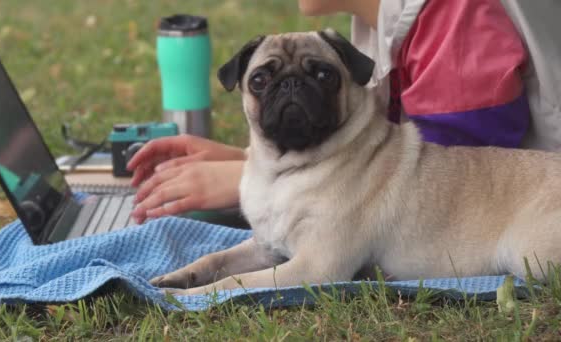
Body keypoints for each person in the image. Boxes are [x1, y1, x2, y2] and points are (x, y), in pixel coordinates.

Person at [128, 0, 561, 224]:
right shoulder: (380, 18)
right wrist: (255, 163)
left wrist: (243, 182)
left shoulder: (454, 17)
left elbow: (443, 182)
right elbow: (374, 151)